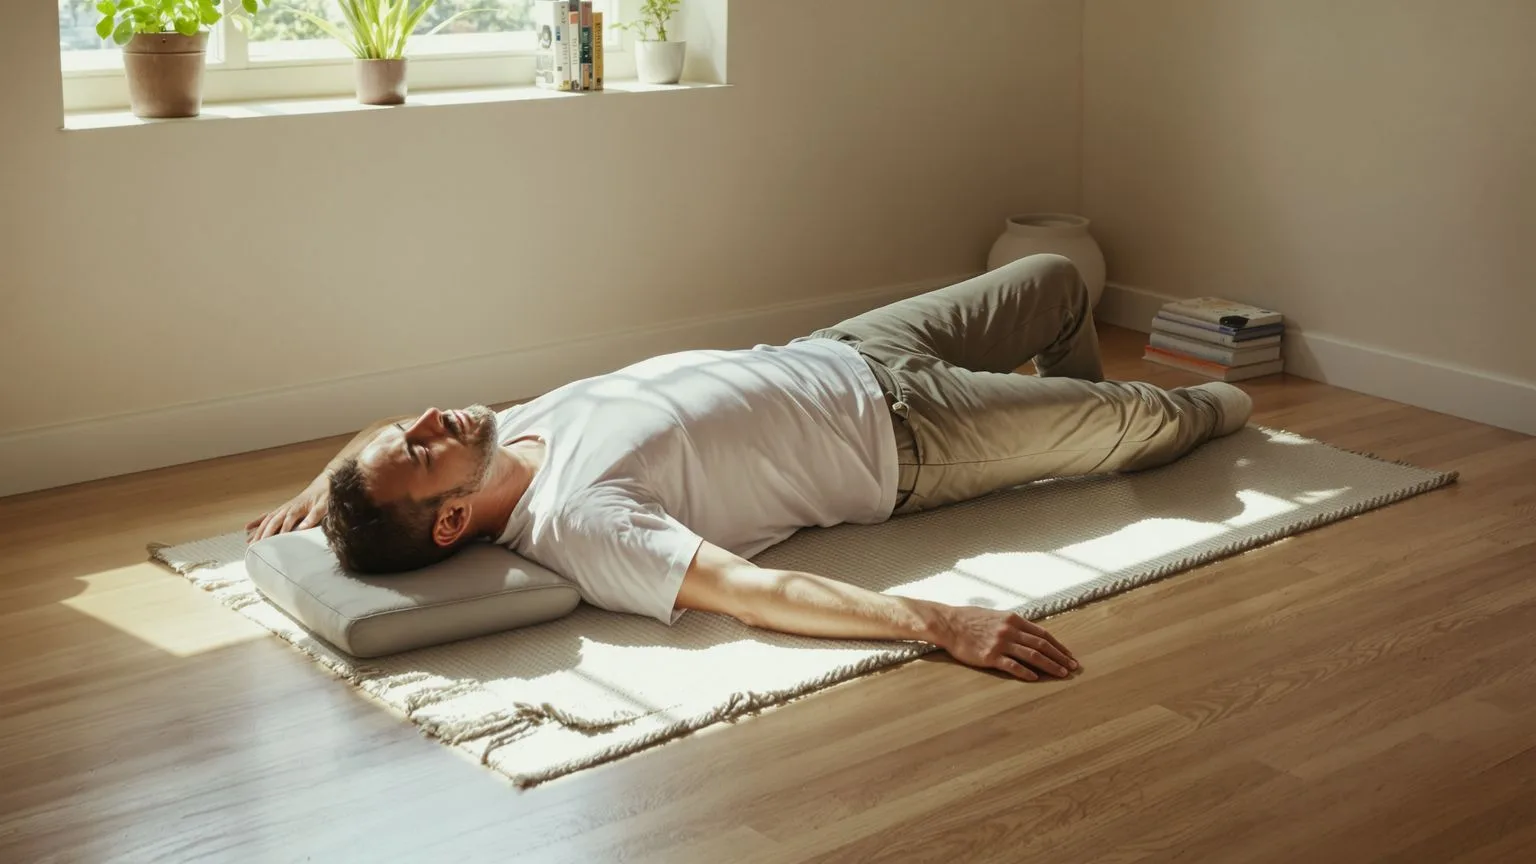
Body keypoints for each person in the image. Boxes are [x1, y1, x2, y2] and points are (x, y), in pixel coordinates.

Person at [246, 255, 1251, 682]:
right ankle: (1126, 428)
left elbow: (389, 469)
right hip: (911, 439)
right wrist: (942, 622)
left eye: (406, 425)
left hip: (844, 346)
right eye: (419, 450)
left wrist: (336, 490)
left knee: (1059, 282)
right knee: (1177, 413)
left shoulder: (502, 433)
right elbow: (758, 595)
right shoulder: (582, 527)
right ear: (453, 519)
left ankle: (1082, 422)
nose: (429, 419)